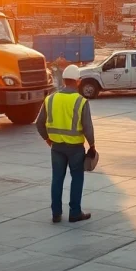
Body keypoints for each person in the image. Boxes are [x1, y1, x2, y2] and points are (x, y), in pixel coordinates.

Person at [36, 64, 95, 224]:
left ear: (63, 80)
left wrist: (48, 139)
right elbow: (88, 127)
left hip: (56, 147)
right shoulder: (81, 101)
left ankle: (56, 213)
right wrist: (92, 145)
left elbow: (39, 123)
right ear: (78, 81)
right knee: (76, 178)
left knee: (57, 179)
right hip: (75, 148)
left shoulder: (50, 99)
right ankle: (75, 212)